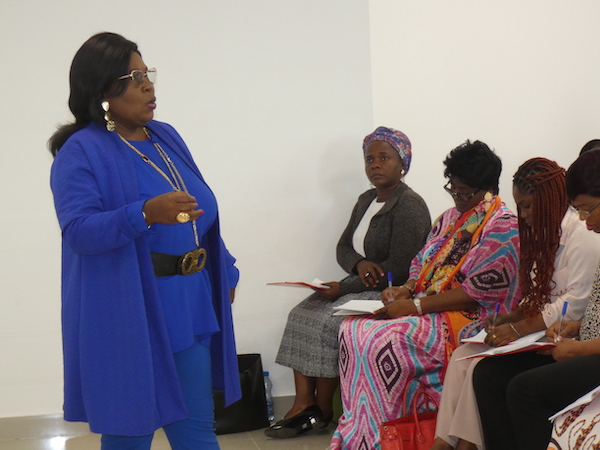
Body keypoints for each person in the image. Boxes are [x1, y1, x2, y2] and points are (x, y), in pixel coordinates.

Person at [49, 32, 240, 449]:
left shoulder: (165, 137)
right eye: (134, 78)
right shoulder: (81, 151)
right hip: (129, 309)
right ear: (102, 92)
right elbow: (79, 231)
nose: (148, 86)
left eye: (146, 74)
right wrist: (144, 213)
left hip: (189, 302)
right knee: (130, 435)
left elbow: (200, 212)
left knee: (196, 433)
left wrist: (225, 270)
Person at [331, 140, 521, 450]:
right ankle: (361, 435)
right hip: (430, 307)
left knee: (384, 339)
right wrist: (404, 289)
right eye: (452, 189)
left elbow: (475, 293)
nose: (457, 198)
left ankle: (393, 437)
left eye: (464, 193)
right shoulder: (448, 219)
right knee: (352, 328)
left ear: (488, 189)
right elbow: (421, 263)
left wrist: (416, 307)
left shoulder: (503, 227)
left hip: (474, 318)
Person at [266, 126, 432, 438]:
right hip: (358, 282)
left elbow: (400, 267)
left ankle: (323, 408)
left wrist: (343, 288)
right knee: (300, 314)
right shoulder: (366, 199)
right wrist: (359, 263)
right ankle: (303, 403)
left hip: (389, 291)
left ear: (403, 163)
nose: (375, 164)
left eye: (384, 158)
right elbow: (343, 247)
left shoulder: (410, 204)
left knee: (329, 322)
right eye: (370, 159)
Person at [431, 157, 600, 450]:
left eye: (527, 206)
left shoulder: (585, 238)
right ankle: (446, 443)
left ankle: (465, 445)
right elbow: (551, 299)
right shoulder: (543, 235)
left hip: (576, 344)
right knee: (473, 364)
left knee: (512, 383)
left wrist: (522, 330)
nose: (522, 215)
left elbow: (574, 303)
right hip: (566, 335)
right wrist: (513, 319)